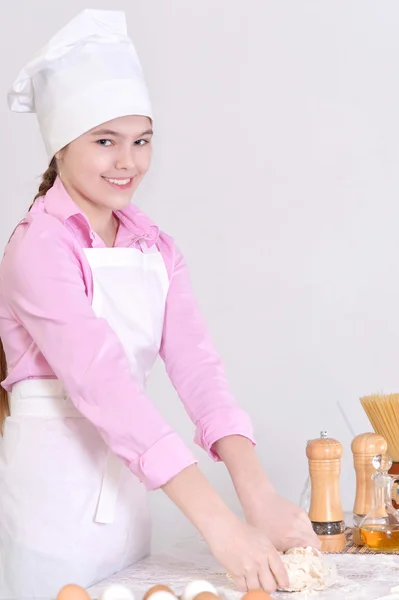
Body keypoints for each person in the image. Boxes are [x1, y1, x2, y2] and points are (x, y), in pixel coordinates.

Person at [0, 9, 319, 599]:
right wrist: (219, 523)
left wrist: (257, 493)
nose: (129, 162)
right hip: (53, 508)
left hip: (129, 494)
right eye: (105, 141)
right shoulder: (37, 249)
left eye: (142, 141)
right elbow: (106, 386)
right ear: (61, 145)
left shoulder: (156, 247)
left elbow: (199, 369)